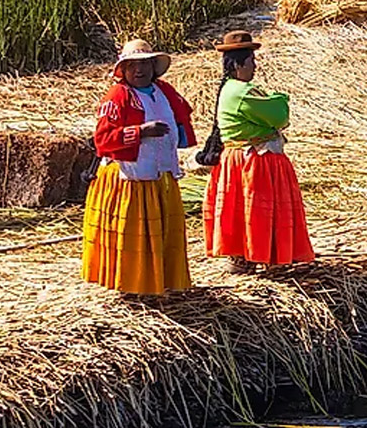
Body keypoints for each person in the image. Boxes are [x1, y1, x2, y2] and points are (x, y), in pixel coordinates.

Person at [81, 40, 195, 295]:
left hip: (160, 175)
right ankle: (131, 285)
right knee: (134, 235)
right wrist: (140, 132)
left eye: (144, 64)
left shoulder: (164, 91)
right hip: (129, 177)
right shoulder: (118, 96)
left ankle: (158, 281)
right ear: (123, 70)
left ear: (154, 66)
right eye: (132, 66)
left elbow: (182, 119)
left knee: (161, 232)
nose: (139, 70)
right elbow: (102, 139)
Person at [204, 29, 315, 269]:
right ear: (238, 65)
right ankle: (257, 257)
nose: (254, 66)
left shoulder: (233, 89)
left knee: (245, 211)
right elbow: (279, 115)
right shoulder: (242, 92)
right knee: (256, 212)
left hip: (243, 158)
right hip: (252, 162)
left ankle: (247, 258)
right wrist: (280, 98)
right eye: (251, 61)